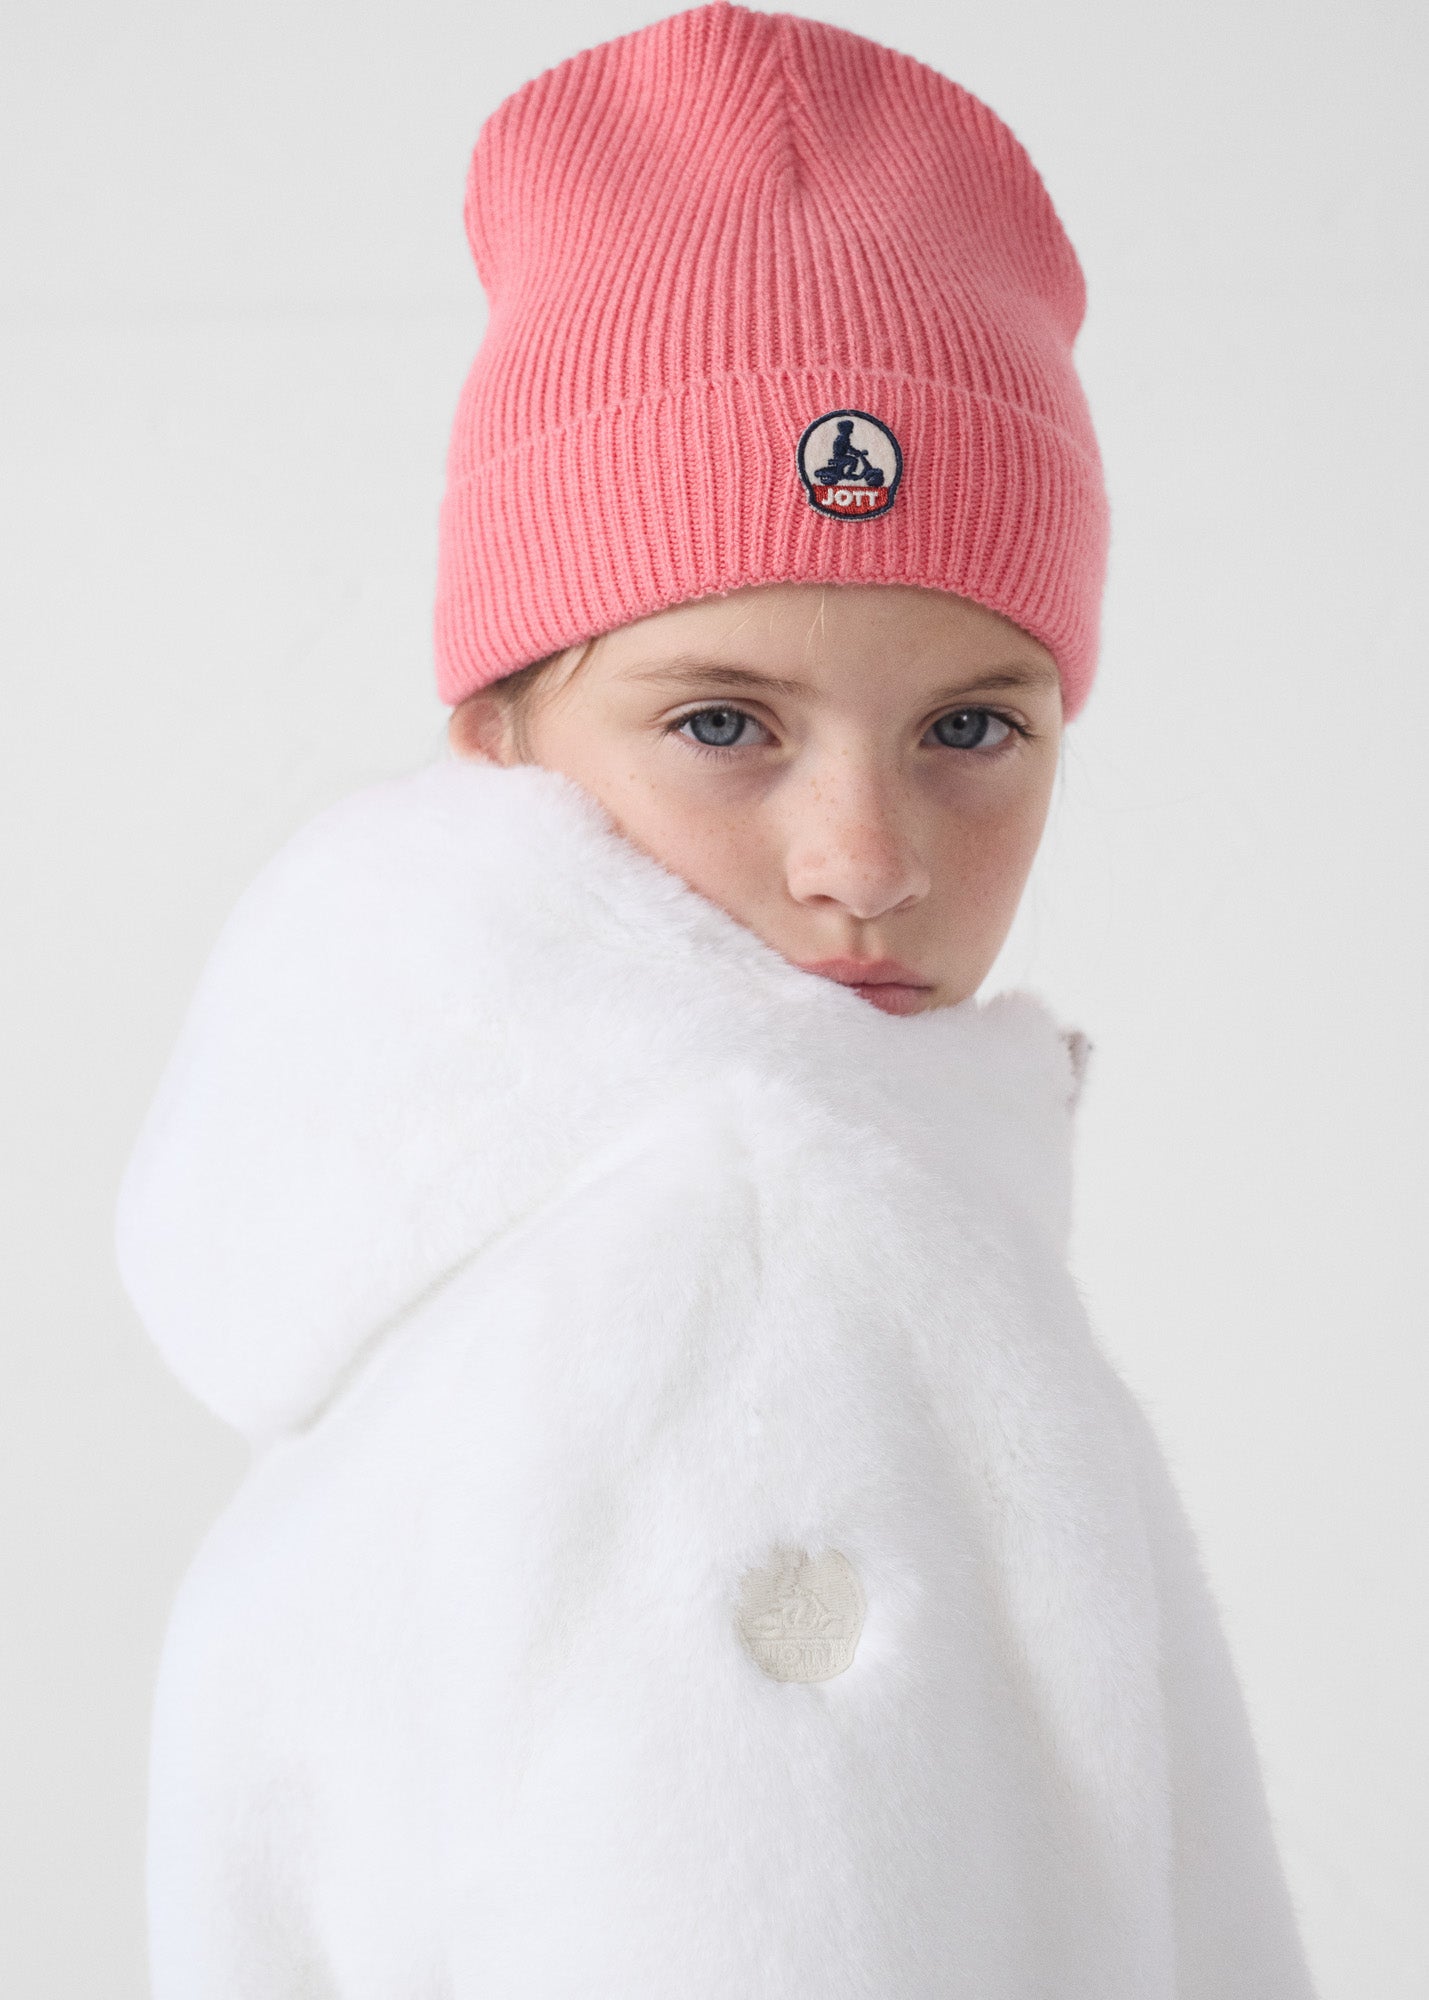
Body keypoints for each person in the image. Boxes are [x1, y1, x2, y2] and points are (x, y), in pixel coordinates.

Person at [114, 5, 1318, 1995]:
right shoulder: (764, 1251)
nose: (867, 857)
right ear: (503, 735)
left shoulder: (503, 1229)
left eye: (968, 727)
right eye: (722, 722)